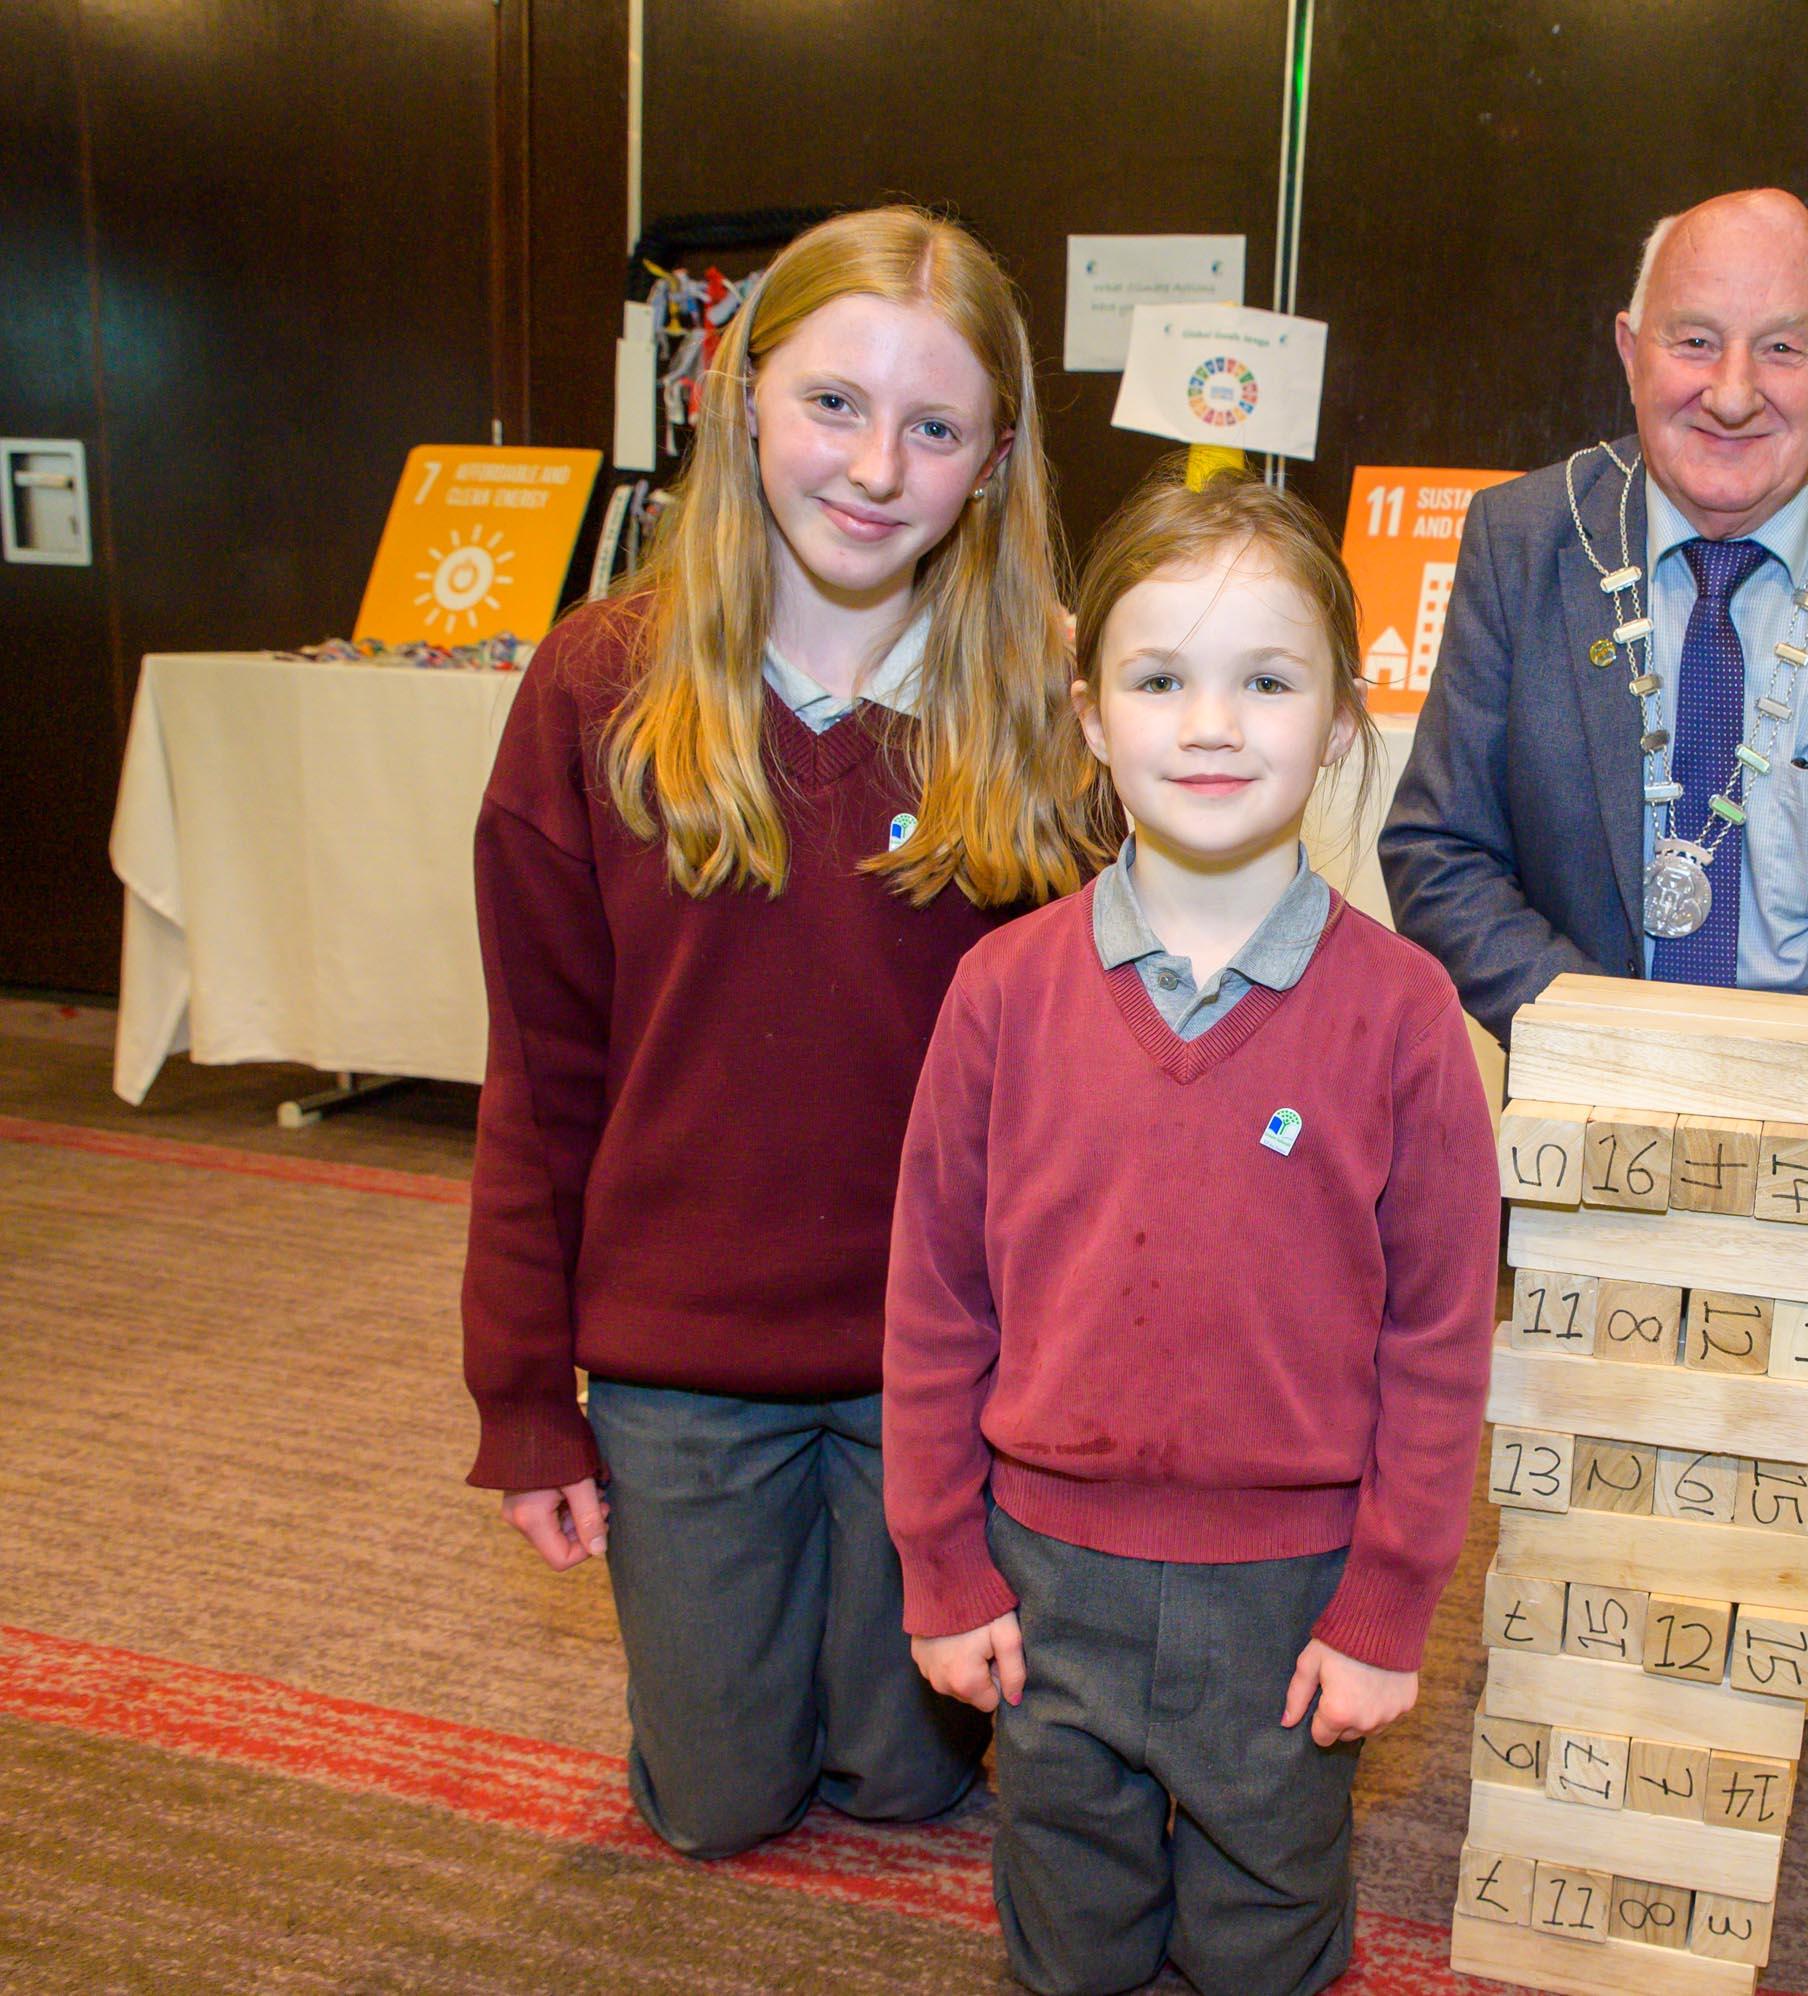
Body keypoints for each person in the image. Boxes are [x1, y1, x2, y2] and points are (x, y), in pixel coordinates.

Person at [461, 206, 1106, 1860]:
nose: (876, 466)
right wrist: (529, 1395)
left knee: (908, 1781)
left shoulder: (1043, 709)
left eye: (935, 425)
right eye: (834, 402)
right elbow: (540, 1081)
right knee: (719, 1806)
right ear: (739, 395)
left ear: (992, 460)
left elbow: (1110, 1086)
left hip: (941, 1360)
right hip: (685, 1366)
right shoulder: (598, 687)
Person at [1379, 189, 1808, 1704]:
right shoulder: (1519, 541)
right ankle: (1579, 1577)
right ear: (1631, 353)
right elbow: (1432, 851)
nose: (1734, 391)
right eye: (1695, 342)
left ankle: (1770, 1593)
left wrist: (1790, 1047)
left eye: (1781, 347)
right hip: (1598, 1025)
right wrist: (1603, 1031)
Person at [884, 464, 1500, 1996]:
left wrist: (1387, 1606)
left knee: (1265, 1946)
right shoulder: (1002, 994)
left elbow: (1440, 1344)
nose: (1212, 725)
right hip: (1046, 1579)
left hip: (1289, 1597)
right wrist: (941, 1566)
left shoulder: (1410, 1016)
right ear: (1089, 713)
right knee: (1067, 1938)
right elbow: (934, 1306)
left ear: (1345, 719)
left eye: (1266, 680)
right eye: (1160, 678)